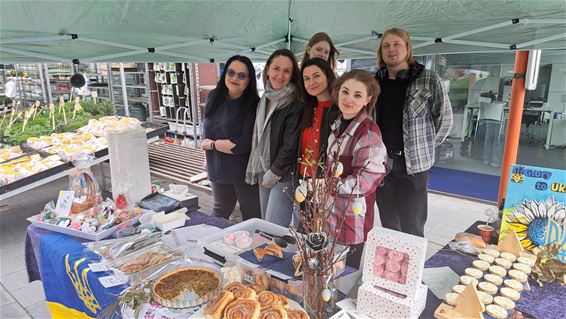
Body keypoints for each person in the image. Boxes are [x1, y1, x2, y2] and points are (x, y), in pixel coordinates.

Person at [374, 28, 453, 237]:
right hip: (382, 165)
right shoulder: (375, 83)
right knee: (389, 224)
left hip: (415, 166)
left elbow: (445, 120)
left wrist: (423, 146)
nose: (391, 49)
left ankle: (413, 270)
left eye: (397, 44)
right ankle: (391, 268)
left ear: (407, 48)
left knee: (413, 226)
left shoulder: (428, 79)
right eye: (386, 45)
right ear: (381, 52)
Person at [326, 70, 388, 268]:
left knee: (345, 274)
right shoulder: (337, 125)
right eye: (345, 92)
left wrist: (327, 185)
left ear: (368, 99)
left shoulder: (368, 133)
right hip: (330, 214)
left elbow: (366, 181)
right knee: (327, 269)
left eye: (357, 95)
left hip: (352, 218)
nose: (349, 99)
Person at [246, 49, 303, 227]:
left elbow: (290, 145)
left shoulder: (295, 102)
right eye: (276, 68)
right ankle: (272, 253)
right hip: (264, 166)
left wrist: (275, 172)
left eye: (287, 71)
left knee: (273, 227)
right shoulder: (265, 97)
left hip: (283, 173)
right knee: (265, 223)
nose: (280, 75)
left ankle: (277, 254)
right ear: (268, 70)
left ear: (292, 75)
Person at [201, 55, 261, 221]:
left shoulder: (254, 104)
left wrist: (212, 145)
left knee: (252, 216)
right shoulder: (214, 96)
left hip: (243, 171)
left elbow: (241, 145)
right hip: (217, 167)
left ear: (249, 80)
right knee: (219, 214)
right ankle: (212, 247)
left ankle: (255, 247)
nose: (235, 78)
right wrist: (207, 156)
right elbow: (206, 129)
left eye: (242, 75)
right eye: (231, 72)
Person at [298, 58, 340, 178]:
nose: (311, 83)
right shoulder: (305, 109)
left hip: (327, 182)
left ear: (327, 76)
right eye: (306, 78)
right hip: (304, 180)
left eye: (316, 76)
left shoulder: (339, 110)